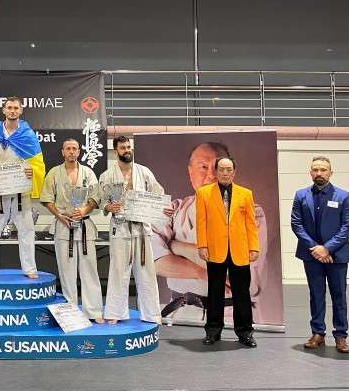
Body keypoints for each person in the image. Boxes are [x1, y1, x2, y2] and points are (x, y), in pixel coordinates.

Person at [152, 142, 269, 322]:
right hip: (179, 312)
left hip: (230, 313)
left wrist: (176, 246)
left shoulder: (250, 211)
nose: (212, 175)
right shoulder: (173, 210)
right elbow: (154, 262)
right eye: (203, 167)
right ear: (191, 172)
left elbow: (246, 277)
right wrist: (202, 273)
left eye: (218, 167)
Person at [0, 96, 45, 279]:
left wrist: (32, 171)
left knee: (27, 229)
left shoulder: (28, 134)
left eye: (16, 108)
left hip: (21, 189)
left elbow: (37, 163)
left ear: (21, 111)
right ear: (3, 110)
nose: (13, 111)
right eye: (9, 107)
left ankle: (30, 269)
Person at [291, 156, 349, 353]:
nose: (319, 173)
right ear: (310, 172)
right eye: (315, 169)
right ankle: (317, 333)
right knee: (316, 294)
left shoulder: (343, 196)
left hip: (337, 255)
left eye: (323, 170)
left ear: (330, 173)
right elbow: (296, 223)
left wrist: (327, 248)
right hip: (311, 255)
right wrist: (315, 248)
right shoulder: (301, 195)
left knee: (339, 295)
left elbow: (348, 226)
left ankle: (341, 336)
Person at [98, 136, 163, 325]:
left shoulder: (144, 172)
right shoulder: (107, 176)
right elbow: (101, 200)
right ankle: (115, 312)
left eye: (128, 147)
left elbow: (158, 193)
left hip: (141, 228)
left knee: (146, 272)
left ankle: (151, 314)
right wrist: (108, 207)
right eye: (123, 147)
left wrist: (158, 207)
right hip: (120, 228)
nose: (127, 150)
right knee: (118, 271)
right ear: (115, 151)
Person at [196, 156, 258, 348]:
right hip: (215, 249)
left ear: (234, 172)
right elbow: (201, 222)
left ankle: (245, 333)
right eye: (221, 169)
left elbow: (251, 223)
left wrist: (253, 247)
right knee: (215, 291)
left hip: (240, 249)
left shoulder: (245, 194)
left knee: (242, 293)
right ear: (216, 172)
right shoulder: (204, 193)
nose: (225, 173)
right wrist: (202, 245)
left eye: (229, 169)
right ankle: (213, 332)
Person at [40, 139, 103, 322]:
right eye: (68, 149)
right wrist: (59, 215)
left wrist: (84, 209)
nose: (71, 152)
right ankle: (71, 314)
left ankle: (94, 312)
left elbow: (95, 197)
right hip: (63, 226)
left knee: (90, 270)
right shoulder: (54, 173)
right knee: (66, 273)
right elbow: (46, 198)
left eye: (75, 148)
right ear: (63, 152)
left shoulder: (88, 173)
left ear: (79, 152)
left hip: (84, 226)